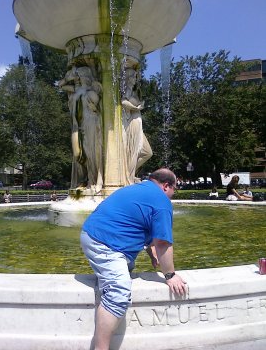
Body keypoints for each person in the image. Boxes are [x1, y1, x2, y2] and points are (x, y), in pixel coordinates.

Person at [80, 168, 187, 350]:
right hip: (106, 244)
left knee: (125, 271)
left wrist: (150, 250)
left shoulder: (136, 189)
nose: (173, 194)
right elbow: (162, 243)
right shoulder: (162, 202)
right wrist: (170, 275)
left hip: (93, 235)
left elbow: (136, 221)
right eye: (175, 189)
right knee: (119, 292)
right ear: (166, 186)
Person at [122, 68, 152, 183]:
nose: (136, 79)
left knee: (147, 152)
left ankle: (130, 173)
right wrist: (136, 108)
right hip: (133, 123)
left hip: (138, 123)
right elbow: (123, 102)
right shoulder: (127, 90)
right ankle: (129, 176)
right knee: (134, 151)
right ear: (129, 78)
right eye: (134, 77)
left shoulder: (133, 91)